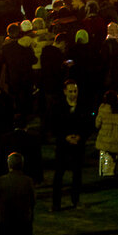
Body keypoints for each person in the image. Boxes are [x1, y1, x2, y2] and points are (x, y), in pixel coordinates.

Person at [52, 79, 91, 211]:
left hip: (78, 145)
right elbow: (53, 125)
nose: (73, 94)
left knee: (77, 175)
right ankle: (56, 203)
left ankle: (75, 200)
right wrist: (65, 137)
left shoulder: (82, 106)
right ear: (64, 92)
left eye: (75, 91)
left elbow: (88, 125)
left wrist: (80, 136)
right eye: (70, 91)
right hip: (63, 145)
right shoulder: (58, 107)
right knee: (59, 175)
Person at [0, 152, 36, 235]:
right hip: (23, 221)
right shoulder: (28, 181)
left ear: (9, 165)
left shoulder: (2, 181)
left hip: (5, 220)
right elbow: (33, 200)